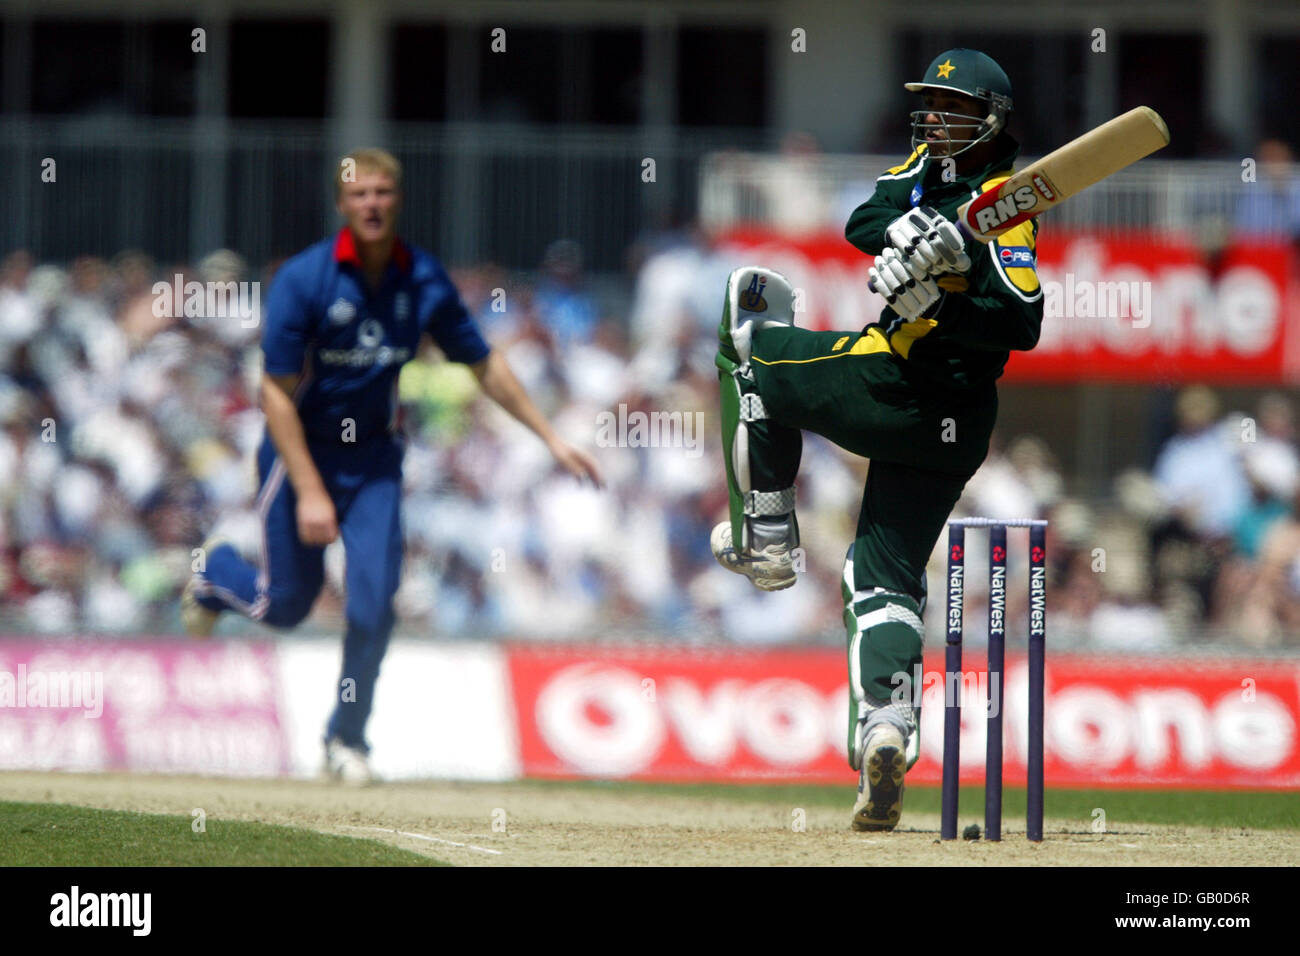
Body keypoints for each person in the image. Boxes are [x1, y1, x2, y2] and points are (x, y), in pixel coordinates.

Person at [181, 148, 602, 784]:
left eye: (382, 192)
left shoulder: (423, 280)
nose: (372, 204)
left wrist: (549, 436)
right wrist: (310, 489)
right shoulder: (306, 279)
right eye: (359, 194)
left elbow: (482, 363)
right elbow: (274, 393)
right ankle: (215, 572)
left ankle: (346, 739)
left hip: (374, 459)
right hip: (300, 453)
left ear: (397, 199)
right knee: (289, 608)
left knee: (375, 605)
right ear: (342, 203)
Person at [710, 50, 1044, 830]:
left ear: (990, 117)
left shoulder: (1004, 205)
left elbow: (1023, 323)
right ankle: (885, 731)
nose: (932, 119)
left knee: (748, 330)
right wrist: (915, 232)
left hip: (897, 384)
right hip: (952, 431)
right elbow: (863, 219)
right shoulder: (926, 171)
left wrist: (956, 284)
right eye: (927, 104)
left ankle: (765, 535)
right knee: (882, 573)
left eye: (950, 107)